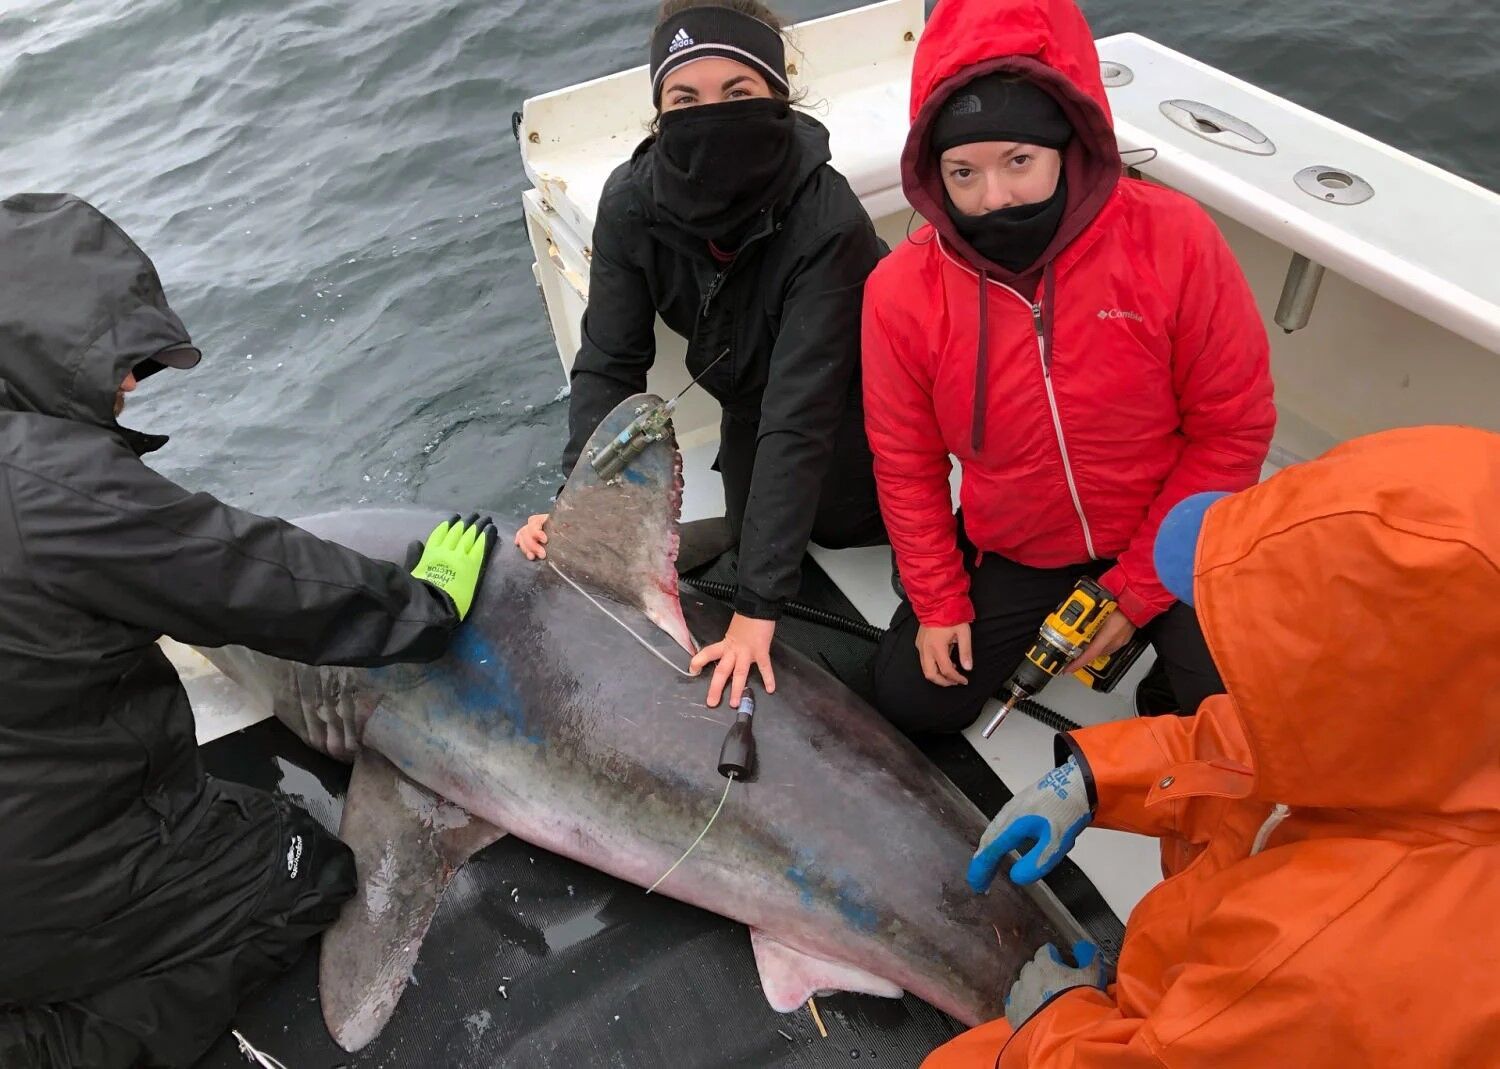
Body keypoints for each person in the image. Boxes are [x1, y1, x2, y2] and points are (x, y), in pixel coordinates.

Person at [0, 193, 495, 1068]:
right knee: (301, 869)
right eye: (123, 362)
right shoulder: (48, 485)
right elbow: (258, 579)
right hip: (42, 875)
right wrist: (422, 605)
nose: (129, 385)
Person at [928, 424, 1500, 1068]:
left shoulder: (1324, 956)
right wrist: (1097, 777)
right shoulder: (1437, 747)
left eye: (1271, 661)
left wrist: (1051, 1027)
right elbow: (1257, 746)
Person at [861, 0, 1276, 733]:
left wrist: (1138, 591)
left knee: (1238, 713)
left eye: (1019, 161)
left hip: (1174, 525)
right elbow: (906, 464)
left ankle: (1166, 674)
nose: (995, 199)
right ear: (933, 172)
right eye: (963, 172)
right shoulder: (899, 291)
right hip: (1024, 545)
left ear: (1067, 146)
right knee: (909, 697)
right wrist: (938, 600)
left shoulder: (1174, 239)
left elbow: (1232, 430)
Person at [514, 0, 887, 710]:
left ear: (779, 95)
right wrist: (577, 507)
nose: (709, 114)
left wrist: (758, 612)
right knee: (760, 539)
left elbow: (800, 414)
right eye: (684, 98)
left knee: (835, 529)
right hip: (752, 406)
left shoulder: (827, 220)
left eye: (737, 93)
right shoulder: (631, 202)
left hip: (859, 402)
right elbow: (608, 366)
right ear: (658, 110)